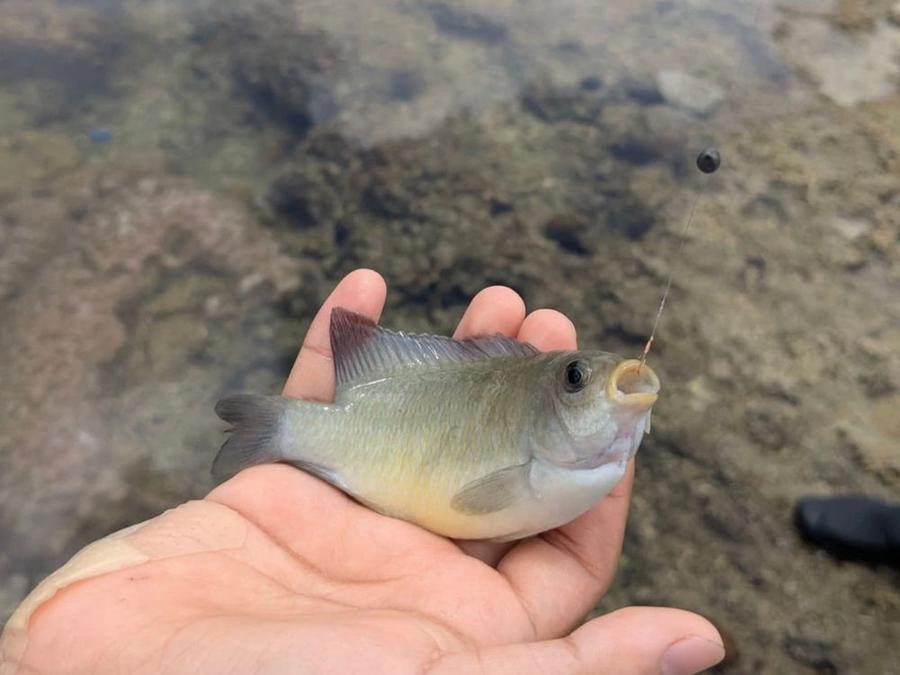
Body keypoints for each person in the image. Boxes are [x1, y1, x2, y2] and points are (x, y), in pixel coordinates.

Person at [0, 269, 724, 674]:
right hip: (378, 449)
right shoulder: (575, 471)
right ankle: (285, 428)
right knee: (296, 420)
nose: (598, 385)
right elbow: (484, 499)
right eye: (574, 380)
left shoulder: (595, 465)